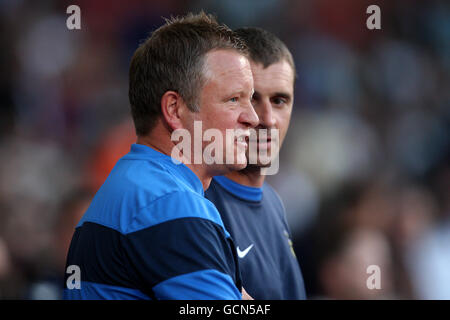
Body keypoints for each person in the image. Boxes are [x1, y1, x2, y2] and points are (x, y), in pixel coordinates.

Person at [63, 12, 259, 300]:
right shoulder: (168, 204)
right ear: (174, 110)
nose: (253, 118)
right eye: (233, 99)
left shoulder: (136, 190)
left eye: (250, 99)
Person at [205, 27, 307, 299]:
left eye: (280, 100)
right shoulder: (196, 203)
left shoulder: (273, 202)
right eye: (251, 99)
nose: (267, 118)